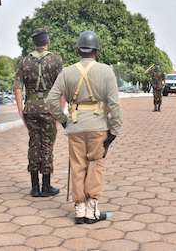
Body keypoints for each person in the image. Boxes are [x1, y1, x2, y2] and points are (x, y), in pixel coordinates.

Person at [46, 31, 122, 224]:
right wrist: (114, 131)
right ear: (97, 50)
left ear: (78, 49)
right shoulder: (106, 71)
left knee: (77, 166)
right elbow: (114, 104)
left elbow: (51, 100)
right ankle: (92, 210)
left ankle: (79, 209)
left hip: (75, 126)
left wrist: (63, 120)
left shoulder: (67, 72)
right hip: (98, 127)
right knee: (95, 165)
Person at [14, 28, 63, 197]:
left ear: (34, 42)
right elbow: (62, 88)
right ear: (47, 41)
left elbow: (18, 87)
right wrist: (60, 111)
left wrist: (21, 110)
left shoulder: (24, 61)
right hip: (49, 107)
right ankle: (46, 186)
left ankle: (35, 187)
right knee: (47, 145)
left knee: (34, 144)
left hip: (31, 108)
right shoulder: (56, 60)